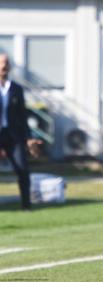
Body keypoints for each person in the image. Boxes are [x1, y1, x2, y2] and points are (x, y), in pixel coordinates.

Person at [0, 53, 41, 210]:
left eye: (6, 63)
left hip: (13, 135)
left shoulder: (16, 88)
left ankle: (26, 205)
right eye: (1, 63)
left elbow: (22, 115)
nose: (4, 66)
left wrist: (28, 138)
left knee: (23, 169)